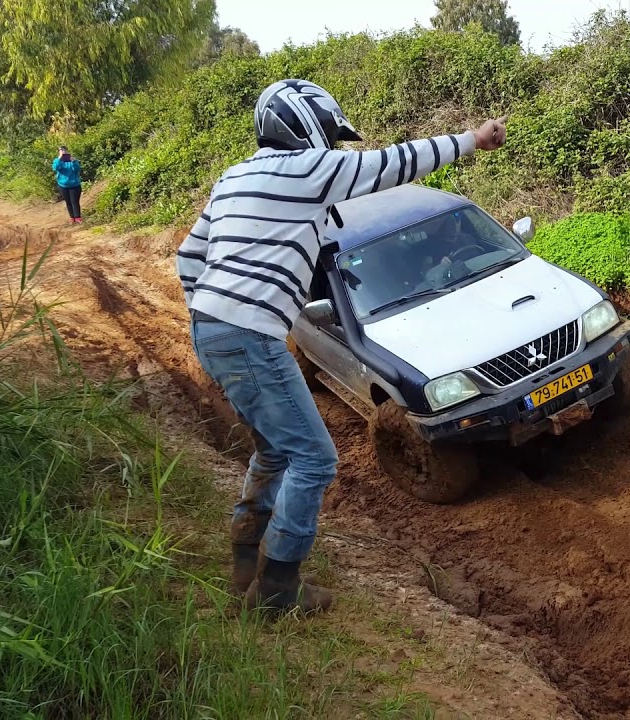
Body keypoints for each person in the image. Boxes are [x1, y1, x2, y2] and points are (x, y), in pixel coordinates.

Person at [175, 79, 507, 615]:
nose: (332, 144)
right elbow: (394, 163)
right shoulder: (309, 170)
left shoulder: (233, 178)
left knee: (275, 449)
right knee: (316, 459)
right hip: (249, 335)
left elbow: (189, 261)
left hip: (210, 330)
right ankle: (278, 588)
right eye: (329, 132)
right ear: (305, 127)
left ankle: (243, 556)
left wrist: (214, 313)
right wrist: (473, 138)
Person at [52, 146, 82, 223]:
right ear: (59, 152)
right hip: (63, 185)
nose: (63, 151)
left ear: (67, 151)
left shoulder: (72, 160)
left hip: (74, 185)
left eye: (64, 150)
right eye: (61, 150)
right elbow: (55, 168)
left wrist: (73, 161)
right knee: (68, 202)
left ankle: (77, 217)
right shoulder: (57, 161)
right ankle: (72, 217)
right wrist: (59, 158)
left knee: (74, 201)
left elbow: (77, 169)